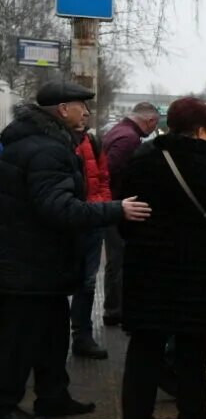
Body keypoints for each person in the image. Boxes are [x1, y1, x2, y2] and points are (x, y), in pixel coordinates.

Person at [0, 81, 151, 419]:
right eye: (81, 106)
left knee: (52, 335)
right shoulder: (46, 150)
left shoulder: (40, 142)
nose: (86, 112)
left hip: (39, 263)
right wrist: (114, 210)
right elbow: (58, 208)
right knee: (20, 339)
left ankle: (53, 397)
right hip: (29, 264)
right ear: (62, 110)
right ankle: (5, 403)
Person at [118, 96, 206, 419]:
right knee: (191, 342)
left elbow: (123, 211)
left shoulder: (142, 158)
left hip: (146, 266)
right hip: (194, 268)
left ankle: (136, 417)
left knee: (145, 342)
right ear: (200, 128)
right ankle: (191, 412)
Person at [101, 101, 160, 327]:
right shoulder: (129, 139)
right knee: (120, 261)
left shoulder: (118, 131)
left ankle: (113, 308)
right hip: (118, 207)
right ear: (150, 121)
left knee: (114, 262)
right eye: (154, 127)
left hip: (112, 205)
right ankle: (117, 310)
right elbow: (109, 170)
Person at [70, 124, 113, 359]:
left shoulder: (93, 141)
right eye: (80, 107)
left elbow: (104, 177)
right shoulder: (53, 140)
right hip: (64, 220)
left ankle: (82, 337)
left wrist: (100, 205)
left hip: (91, 221)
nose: (85, 114)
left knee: (87, 282)